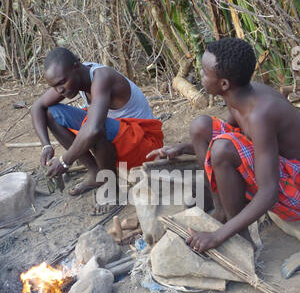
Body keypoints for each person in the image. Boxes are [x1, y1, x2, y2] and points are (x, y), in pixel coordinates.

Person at [147, 38, 300, 252]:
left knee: (222, 149)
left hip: (294, 186)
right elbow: (226, 136)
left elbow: (269, 192)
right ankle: (222, 211)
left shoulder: (260, 115)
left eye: (204, 72)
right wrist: (183, 148)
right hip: (273, 163)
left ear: (224, 84)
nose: (200, 76)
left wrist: (217, 237)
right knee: (201, 127)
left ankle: (240, 235)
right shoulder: (241, 95)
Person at [31, 47, 164, 195]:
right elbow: (38, 106)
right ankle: (96, 173)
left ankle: (111, 186)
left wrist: (65, 161)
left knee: (95, 128)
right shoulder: (76, 76)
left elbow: (94, 129)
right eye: (54, 86)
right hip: (120, 136)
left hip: (146, 145)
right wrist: (46, 146)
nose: (59, 90)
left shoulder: (102, 78)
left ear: (76, 67)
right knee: (51, 113)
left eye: (62, 82)